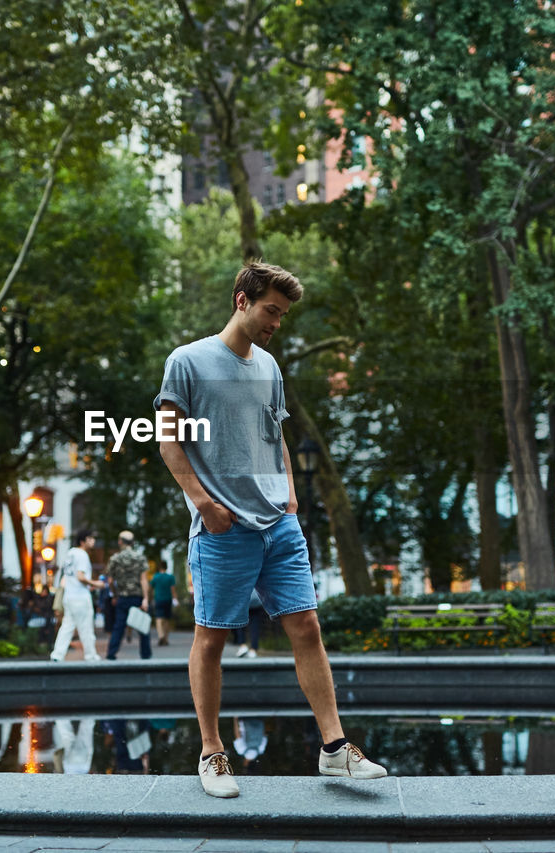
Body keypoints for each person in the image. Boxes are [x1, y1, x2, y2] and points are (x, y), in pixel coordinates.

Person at [155, 261, 388, 797]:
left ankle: (335, 751)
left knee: (306, 627)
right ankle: (213, 755)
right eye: (270, 311)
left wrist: (288, 499)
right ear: (242, 300)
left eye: (282, 315)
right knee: (212, 638)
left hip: (278, 526)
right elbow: (167, 440)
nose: (275, 323)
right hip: (222, 528)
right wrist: (204, 504)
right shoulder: (187, 361)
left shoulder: (270, 368)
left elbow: (275, 436)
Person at [49, 529, 107, 662]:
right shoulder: (82, 555)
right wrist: (96, 584)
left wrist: (88, 584)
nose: (93, 541)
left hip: (69, 596)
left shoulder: (70, 553)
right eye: (90, 539)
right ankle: (91, 656)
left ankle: (57, 655)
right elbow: (80, 576)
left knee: (67, 627)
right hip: (80, 597)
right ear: (83, 541)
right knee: (85, 627)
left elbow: (71, 577)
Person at [105, 530, 152, 661]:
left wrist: (115, 595)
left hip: (123, 597)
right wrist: (146, 599)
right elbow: (144, 579)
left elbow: (110, 581)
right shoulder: (140, 557)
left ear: (120, 541)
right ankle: (146, 655)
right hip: (137, 597)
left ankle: (111, 653)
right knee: (142, 626)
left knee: (119, 626)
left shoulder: (115, 558)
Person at [149, 563, 178, 646]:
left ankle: (160, 635)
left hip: (158, 599)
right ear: (166, 567)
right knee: (166, 619)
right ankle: (165, 638)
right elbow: (173, 589)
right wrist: (175, 599)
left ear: (159, 567)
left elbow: (150, 588)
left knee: (158, 618)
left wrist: (149, 598)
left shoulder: (155, 577)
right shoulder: (170, 577)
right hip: (168, 600)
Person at [232, 590, 266, 658]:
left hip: (241, 598)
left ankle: (242, 645)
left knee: (239, 621)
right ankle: (253, 650)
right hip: (255, 599)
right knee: (254, 625)